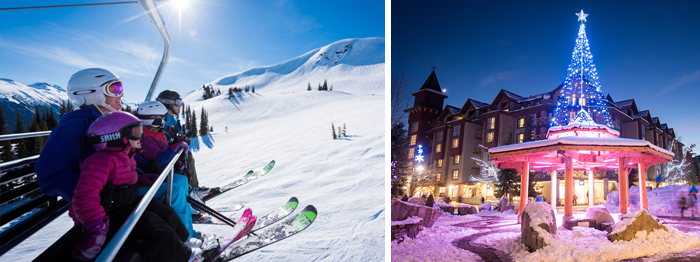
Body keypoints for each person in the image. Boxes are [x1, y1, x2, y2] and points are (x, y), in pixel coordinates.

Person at [71, 111, 201, 261]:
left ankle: (184, 241)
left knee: (166, 213)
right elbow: (84, 197)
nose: (141, 136)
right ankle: (183, 257)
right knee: (154, 226)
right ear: (115, 137)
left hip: (126, 203)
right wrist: (96, 227)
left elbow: (122, 179)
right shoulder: (99, 161)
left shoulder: (126, 156)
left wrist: (141, 179)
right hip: (108, 215)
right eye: (136, 132)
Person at [36, 68, 125, 201]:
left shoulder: (107, 122)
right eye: (115, 88)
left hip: (123, 192)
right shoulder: (73, 127)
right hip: (100, 206)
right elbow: (51, 175)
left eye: (121, 88)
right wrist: (101, 195)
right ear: (92, 93)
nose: (121, 94)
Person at [134, 101, 197, 238]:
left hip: (155, 171)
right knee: (175, 189)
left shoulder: (156, 132)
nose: (164, 121)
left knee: (181, 180)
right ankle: (187, 236)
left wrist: (176, 162)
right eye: (162, 118)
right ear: (155, 120)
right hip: (149, 174)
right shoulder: (146, 138)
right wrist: (174, 149)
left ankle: (185, 218)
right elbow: (159, 158)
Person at [156, 90, 201, 190]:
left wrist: (186, 133)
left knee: (187, 155)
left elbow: (178, 128)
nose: (180, 106)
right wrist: (173, 143)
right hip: (161, 154)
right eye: (178, 103)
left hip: (168, 151)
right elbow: (158, 139)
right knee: (187, 156)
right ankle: (193, 187)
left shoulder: (171, 118)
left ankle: (192, 186)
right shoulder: (161, 119)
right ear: (168, 104)